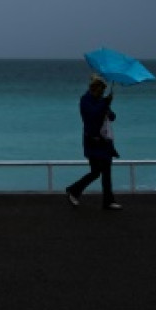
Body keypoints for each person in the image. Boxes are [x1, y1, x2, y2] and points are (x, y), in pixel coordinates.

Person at [65, 75, 122, 211]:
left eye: (104, 91)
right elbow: (92, 114)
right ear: (94, 88)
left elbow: (112, 117)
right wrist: (105, 103)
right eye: (101, 90)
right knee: (96, 172)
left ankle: (108, 201)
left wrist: (107, 106)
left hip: (105, 142)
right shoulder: (85, 101)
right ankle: (73, 190)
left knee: (107, 173)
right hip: (93, 141)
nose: (102, 92)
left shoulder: (101, 101)